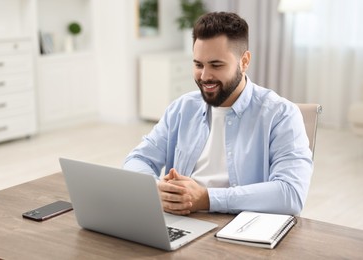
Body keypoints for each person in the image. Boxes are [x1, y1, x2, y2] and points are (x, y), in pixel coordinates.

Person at [124, 12, 312, 216]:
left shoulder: (281, 114)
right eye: (198, 64)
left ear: (244, 61)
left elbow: (291, 194)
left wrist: (207, 198)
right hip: (184, 221)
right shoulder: (182, 108)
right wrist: (155, 188)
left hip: (243, 228)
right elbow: (138, 159)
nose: (204, 76)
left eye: (216, 65)